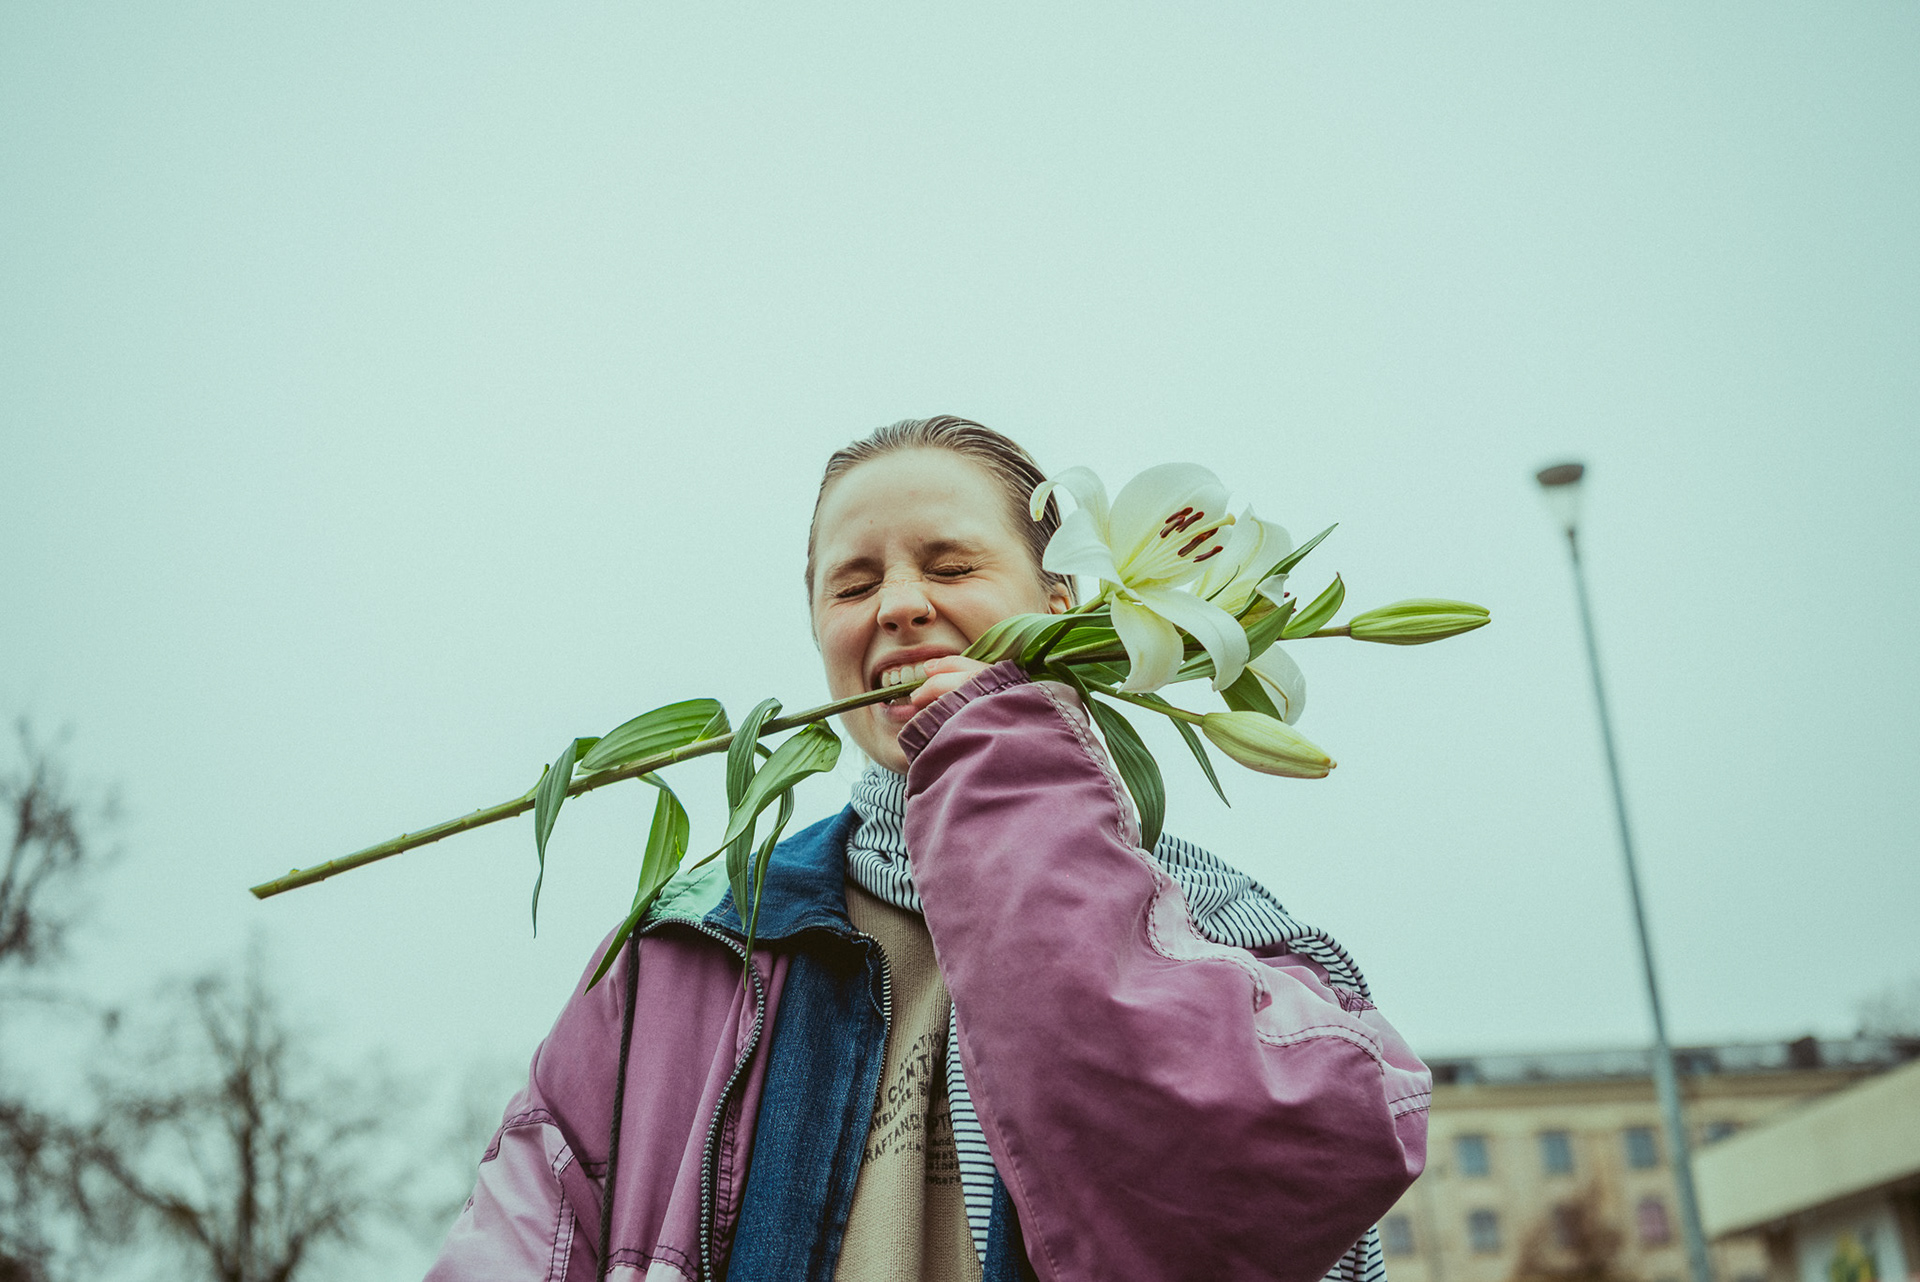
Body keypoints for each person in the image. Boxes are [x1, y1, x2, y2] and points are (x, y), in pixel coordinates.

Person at [425, 417, 1430, 1282]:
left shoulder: (1218, 928)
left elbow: (1287, 1167)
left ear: (1066, 602)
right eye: (851, 583)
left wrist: (1005, 763)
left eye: (950, 566)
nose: (900, 604)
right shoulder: (676, 957)